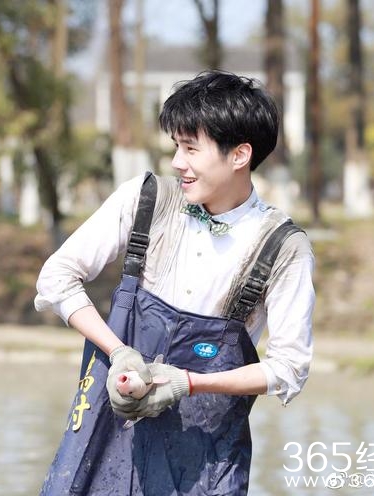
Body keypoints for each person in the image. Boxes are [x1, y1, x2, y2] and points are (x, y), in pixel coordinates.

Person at [34, 70, 315, 495]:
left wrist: (189, 382)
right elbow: (57, 277)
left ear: (239, 155)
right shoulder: (146, 199)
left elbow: (289, 368)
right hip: (103, 436)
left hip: (203, 465)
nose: (177, 162)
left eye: (190, 148)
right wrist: (119, 352)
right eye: (176, 146)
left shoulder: (283, 247)